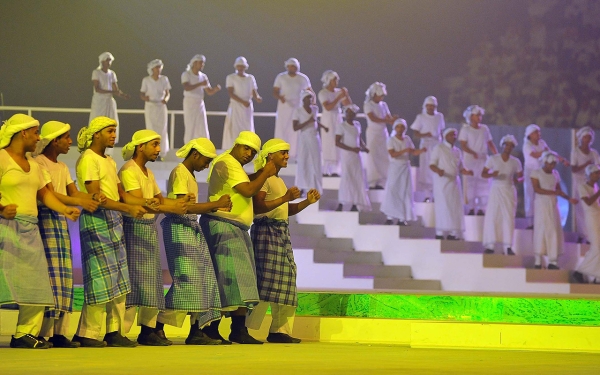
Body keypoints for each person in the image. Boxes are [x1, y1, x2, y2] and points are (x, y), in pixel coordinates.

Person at [73, 116, 154, 348]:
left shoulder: (108, 160)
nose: (113, 135)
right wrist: (128, 207)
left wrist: (146, 203)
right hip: (97, 220)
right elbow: (97, 198)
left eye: (114, 130)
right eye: (109, 131)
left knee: (118, 278)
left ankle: (113, 331)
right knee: (99, 277)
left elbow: (120, 194)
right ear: (96, 134)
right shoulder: (88, 159)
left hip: (115, 219)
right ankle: (88, 333)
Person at [0, 114, 80, 349]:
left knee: (36, 283)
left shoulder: (34, 164)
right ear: (23, 133)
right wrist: (2, 209)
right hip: (5, 228)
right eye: (35, 133)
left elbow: (44, 194)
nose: (38, 138)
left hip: (30, 229)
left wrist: (66, 209)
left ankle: (25, 333)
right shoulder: (2, 159)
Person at [199, 131, 277, 344]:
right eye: (246, 148)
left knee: (239, 280)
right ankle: (215, 329)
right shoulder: (227, 162)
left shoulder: (236, 166)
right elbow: (248, 189)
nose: (249, 154)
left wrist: (261, 172)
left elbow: (247, 182)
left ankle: (236, 329)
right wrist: (266, 173)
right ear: (236, 144)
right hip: (223, 225)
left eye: (253, 152)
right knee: (226, 280)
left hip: (235, 228)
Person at [119, 130, 193, 346]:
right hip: (134, 228)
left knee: (151, 282)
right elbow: (138, 200)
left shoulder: (147, 173)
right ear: (140, 146)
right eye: (154, 144)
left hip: (148, 229)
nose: (158, 149)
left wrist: (180, 204)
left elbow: (159, 200)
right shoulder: (129, 170)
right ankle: (120, 331)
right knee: (134, 283)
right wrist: (170, 205)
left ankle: (148, 330)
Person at [34, 121, 103, 348]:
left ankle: (59, 333)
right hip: (46, 220)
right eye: (67, 137)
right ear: (55, 140)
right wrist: (80, 202)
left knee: (64, 278)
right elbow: (52, 195)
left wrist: (93, 199)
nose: (70, 141)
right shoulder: (39, 163)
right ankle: (41, 332)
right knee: (50, 279)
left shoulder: (62, 167)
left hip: (60, 223)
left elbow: (73, 192)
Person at [156, 138, 231, 345]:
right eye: (206, 161)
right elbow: (183, 208)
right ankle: (155, 326)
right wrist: (215, 204)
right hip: (179, 227)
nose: (207, 165)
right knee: (187, 281)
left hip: (190, 228)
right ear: (195, 154)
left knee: (203, 280)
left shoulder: (189, 175)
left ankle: (197, 331)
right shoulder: (180, 172)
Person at [246, 138, 321, 343]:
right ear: (270, 155)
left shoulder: (278, 180)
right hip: (266, 233)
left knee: (286, 280)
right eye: (283, 152)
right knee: (265, 282)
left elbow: (284, 210)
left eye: (287, 152)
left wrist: (307, 201)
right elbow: (259, 207)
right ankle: (246, 329)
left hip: (280, 232)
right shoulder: (265, 179)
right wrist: (285, 198)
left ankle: (280, 330)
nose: (287, 156)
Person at [531, 151, 578, 270]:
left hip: (552, 205)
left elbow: (559, 190)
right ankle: (538, 260)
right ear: (545, 162)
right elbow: (537, 189)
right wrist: (553, 193)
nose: (551, 166)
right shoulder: (536, 173)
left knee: (553, 229)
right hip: (541, 204)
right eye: (550, 164)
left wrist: (569, 199)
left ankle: (553, 261)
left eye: (553, 164)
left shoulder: (555, 174)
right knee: (541, 229)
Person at [481, 135, 524, 255]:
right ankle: (490, 244)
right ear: (503, 145)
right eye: (507, 145)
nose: (508, 147)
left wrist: (517, 180)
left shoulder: (515, 162)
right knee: (493, 215)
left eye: (511, 146)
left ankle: (508, 246)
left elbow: (521, 177)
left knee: (508, 217)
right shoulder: (493, 159)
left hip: (509, 190)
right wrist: (492, 174)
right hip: (496, 189)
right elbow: (483, 173)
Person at [429, 128, 473, 240]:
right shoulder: (439, 148)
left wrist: (467, 172)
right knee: (443, 206)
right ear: (445, 136)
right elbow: (432, 164)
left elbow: (461, 168)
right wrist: (438, 170)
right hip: (442, 182)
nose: (453, 137)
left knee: (455, 207)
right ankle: (440, 232)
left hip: (454, 182)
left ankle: (453, 233)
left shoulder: (457, 151)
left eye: (455, 135)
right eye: (451, 135)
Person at [522, 124, 568, 228]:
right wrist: (545, 152)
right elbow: (534, 155)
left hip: (542, 172)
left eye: (539, 132)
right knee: (530, 196)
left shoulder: (542, 143)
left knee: (542, 195)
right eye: (536, 132)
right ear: (530, 135)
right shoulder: (527, 145)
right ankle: (530, 223)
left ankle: (541, 219)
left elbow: (550, 153)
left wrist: (562, 160)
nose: (538, 134)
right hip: (530, 172)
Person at [381, 119, 424, 225]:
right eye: (398, 127)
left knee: (404, 192)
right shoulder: (391, 140)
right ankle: (390, 217)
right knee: (392, 190)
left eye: (402, 127)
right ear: (395, 128)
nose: (400, 129)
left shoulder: (407, 139)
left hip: (405, 168)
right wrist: (405, 151)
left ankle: (402, 218)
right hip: (395, 168)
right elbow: (393, 154)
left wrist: (423, 150)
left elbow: (413, 152)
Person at [458, 105, 497, 215]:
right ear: (471, 116)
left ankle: (481, 208)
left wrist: (496, 155)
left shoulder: (484, 129)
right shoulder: (465, 129)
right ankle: (471, 207)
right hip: (470, 160)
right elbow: (463, 145)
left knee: (483, 183)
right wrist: (473, 153)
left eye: (480, 115)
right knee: (470, 183)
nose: (479, 117)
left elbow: (490, 143)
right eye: (477, 115)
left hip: (483, 160)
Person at [273, 58, 312, 158]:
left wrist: (313, 103)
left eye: (294, 66)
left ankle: (294, 153)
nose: (292, 68)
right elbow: (275, 91)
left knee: (295, 130)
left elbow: (309, 92)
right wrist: (280, 98)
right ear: (287, 67)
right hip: (284, 107)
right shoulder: (281, 77)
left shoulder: (303, 78)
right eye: (290, 66)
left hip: (297, 107)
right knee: (282, 128)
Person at [335, 104, 372, 212]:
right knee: (347, 178)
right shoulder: (342, 126)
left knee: (357, 178)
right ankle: (341, 203)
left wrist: (364, 147)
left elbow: (359, 140)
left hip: (356, 157)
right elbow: (337, 142)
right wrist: (351, 149)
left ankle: (355, 204)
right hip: (347, 156)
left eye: (352, 113)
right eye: (348, 113)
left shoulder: (357, 125)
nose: (349, 115)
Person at [364, 82, 399, 190]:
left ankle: (383, 181)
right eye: (380, 95)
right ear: (374, 94)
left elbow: (388, 117)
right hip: (373, 134)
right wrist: (386, 120)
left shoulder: (384, 105)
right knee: (373, 156)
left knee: (383, 156)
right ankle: (372, 182)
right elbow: (372, 118)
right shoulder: (368, 105)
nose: (382, 97)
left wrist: (393, 119)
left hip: (383, 133)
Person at [222, 57, 262, 150]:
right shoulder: (231, 77)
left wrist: (258, 98)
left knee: (247, 127)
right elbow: (231, 93)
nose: (240, 68)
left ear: (245, 67)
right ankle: (235, 148)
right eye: (239, 66)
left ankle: (247, 147)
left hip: (247, 107)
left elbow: (254, 92)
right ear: (236, 67)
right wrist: (242, 102)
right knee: (235, 128)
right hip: (236, 106)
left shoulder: (250, 78)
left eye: (242, 66)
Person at [89, 52, 130, 144]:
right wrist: (112, 92)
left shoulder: (112, 74)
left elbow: (116, 89)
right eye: (107, 60)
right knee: (97, 122)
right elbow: (97, 89)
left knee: (110, 123)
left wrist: (123, 95)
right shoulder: (96, 72)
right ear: (102, 61)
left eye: (110, 60)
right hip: (99, 102)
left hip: (109, 101)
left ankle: (108, 145)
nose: (109, 62)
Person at [410, 96, 445, 201]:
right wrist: (425, 134)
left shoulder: (439, 116)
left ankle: (436, 195)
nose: (430, 108)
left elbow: (441, 131)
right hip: (425, 145)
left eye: (432, 106)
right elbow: (415, 133)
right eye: (428, 106)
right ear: (425, 106)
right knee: (426, 170)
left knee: (436, 168)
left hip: (437, 145)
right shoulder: (421, 117)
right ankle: (427, 195)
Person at [318, 70, 352, 176]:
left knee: (338, 141)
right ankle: (326, 169)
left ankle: (336, 169)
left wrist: (346, 95)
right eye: (334, 79)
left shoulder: (338, 92)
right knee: (328, 142)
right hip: (328, 120)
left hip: (337, 118)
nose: (336, 81)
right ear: (329, 81)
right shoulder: (323, 93)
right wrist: (338, 97)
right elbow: (328, 107)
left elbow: (348, 105)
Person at [182, 54, 221, 143]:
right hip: (189, 103)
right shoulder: (186, 74)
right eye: (201, 63)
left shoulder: (203, 76)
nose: (202, 65)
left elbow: (209, 91)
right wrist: (200, 84)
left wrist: (215, 89)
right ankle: (188, 149)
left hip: (200, 104)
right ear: (195, 63)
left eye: (203, 63)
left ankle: (204, 149)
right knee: (190, 125)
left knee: (202, 127)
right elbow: (187, 87)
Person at [571, 126, 600, 243]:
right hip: (579, 182)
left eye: (589, 137)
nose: (587, 139)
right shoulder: (575, 152)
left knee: (594, 206)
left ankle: (592, 234)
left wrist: (593, 171)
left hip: (592, 183)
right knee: (581, 208)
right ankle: (583, 234)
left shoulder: (594, 153)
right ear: (581, 138)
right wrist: (586, 165)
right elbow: (573, 169)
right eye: (585, 137)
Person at [293, 90, 325, 194]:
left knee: (315, 161)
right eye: (308, 98)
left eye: (311, 97)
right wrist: (308, 122)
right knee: (304, 161)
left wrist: (324, 127)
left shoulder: (315, 109)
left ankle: (315, 187)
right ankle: (302, 186)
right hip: (304, 138)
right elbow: (295, 127)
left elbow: (315, 121)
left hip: (314, 137)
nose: (310, 100)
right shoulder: (298, 111)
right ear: (303, 99)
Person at [572, 164, 600, 283]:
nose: (597, 175)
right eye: (595, 173)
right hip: (591, 218)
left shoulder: (595, 187)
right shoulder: (582, 186)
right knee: (596, 247)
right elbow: (588, 202)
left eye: (598, 173)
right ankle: (579, 272)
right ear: (588, 174)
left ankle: (596, 277)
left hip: (598, 217)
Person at [140, 59, 171, 159]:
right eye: (156, 67)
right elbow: (142, 93)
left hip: (161, 107)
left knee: (162, 129)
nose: (158, 69)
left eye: (160, 67)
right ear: (152, 69)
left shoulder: (164, 79)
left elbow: (167, 93)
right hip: (150, 107)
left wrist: (166, 99)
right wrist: (145, 98)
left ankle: (161, 154)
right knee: (151, 129)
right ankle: (151, 153)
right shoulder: (146, 80)